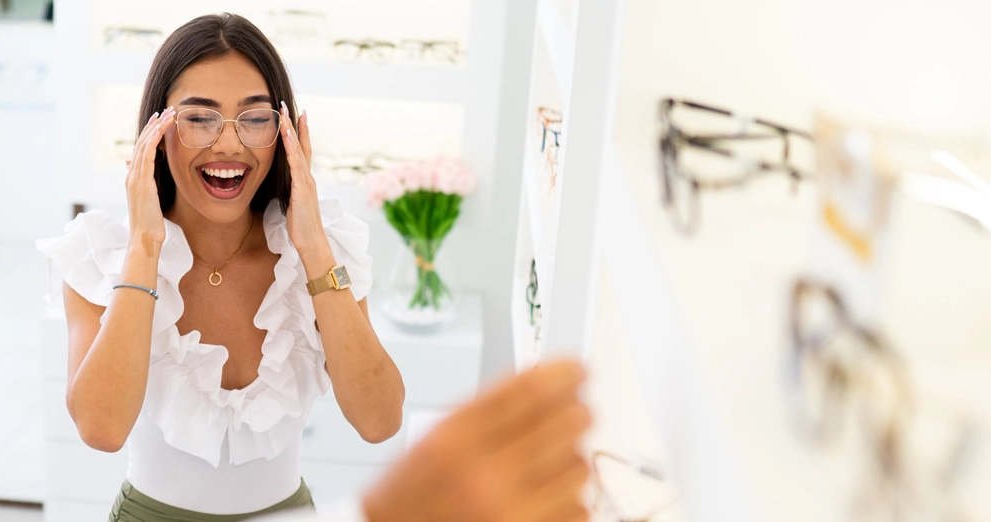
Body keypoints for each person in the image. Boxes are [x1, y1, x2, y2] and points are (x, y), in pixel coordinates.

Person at [38, 13, 591, 522]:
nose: (227, 142)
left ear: (282, 135)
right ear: (155, 132)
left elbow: (380, 422)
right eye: (199, 117)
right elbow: (101, 428)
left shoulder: (320, 256)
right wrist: (145, 249)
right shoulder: (102, 255)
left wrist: (313, 247)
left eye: (253, 118)